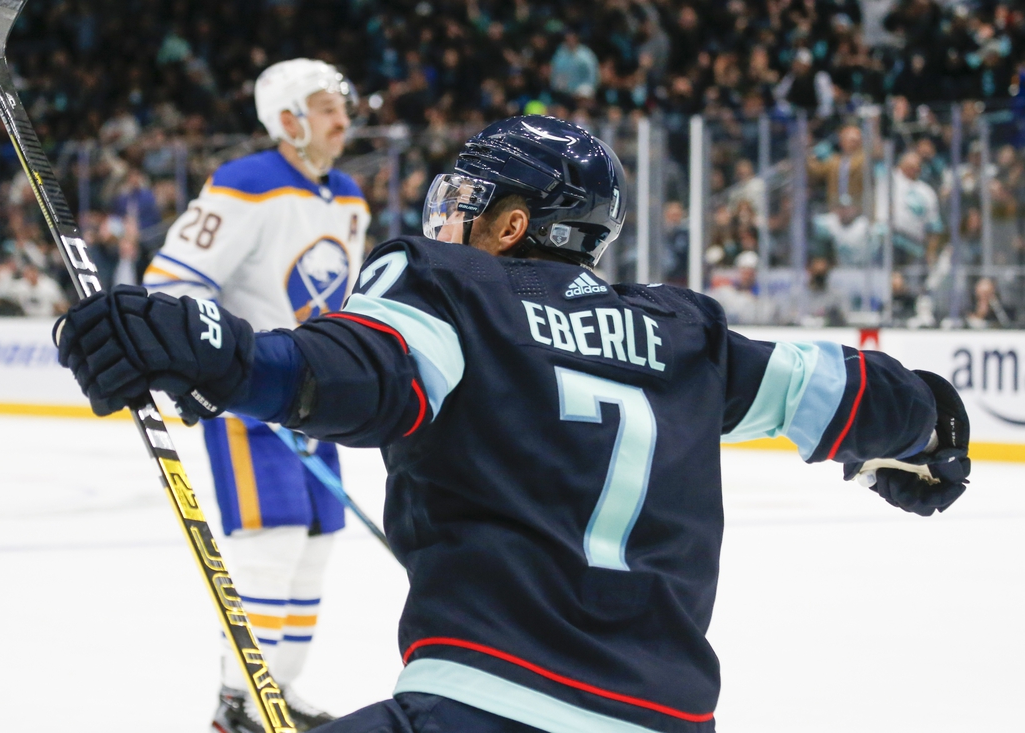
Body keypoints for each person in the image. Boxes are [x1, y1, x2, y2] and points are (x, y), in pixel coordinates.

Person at [56, 116, 971, 733]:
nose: (446, 218)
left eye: (468, 203)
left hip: (481, 704)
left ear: (512, 224)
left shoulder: (455, 292)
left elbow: (351, 378)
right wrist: (930, 429)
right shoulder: (684, 336)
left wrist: (214, 351)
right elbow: (843, 387)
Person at [140, 58, 369, 732]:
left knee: (319, 540)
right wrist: (208, 360)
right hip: (252, 396)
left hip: (324, 395)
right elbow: (173, 282)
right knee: (273, 540)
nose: (343, 118)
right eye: (328, 106)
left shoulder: (349, 194)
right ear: (289, 118)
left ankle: (279, 692)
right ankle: (238, 700)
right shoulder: (246, 183)